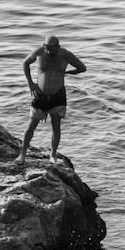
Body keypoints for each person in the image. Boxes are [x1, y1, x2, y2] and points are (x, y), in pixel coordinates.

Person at [17, 35, 86, 163]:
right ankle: (22, 155)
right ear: (44, 46)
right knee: (31, 125)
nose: (49, 51)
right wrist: (30, 83)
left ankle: (52, 156)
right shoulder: (39, 52)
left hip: (58, 95)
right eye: (46, 47)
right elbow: (25, 63)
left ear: (58, 47)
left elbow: (82, 68)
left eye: (52, 48)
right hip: (40, 95)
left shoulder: (66, 55)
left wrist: (67, 73)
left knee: (56, 126)